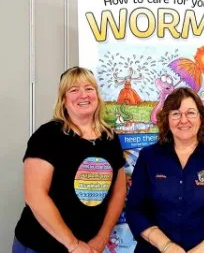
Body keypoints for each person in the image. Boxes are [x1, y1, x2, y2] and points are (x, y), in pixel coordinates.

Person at [13, 67, 127, 253]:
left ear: (97, 96)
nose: (83, 95)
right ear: (64, 100)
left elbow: (119, 191)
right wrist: (73, 245)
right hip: (41, 245)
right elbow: (35, 196)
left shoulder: (109, 137)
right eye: (74, 90)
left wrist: (102, 237)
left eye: (89, 89)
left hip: (90, 247)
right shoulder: (47, 136)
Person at [126, 87, 204, 253]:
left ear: (201, 117)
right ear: (166, 119)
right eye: (175, 113)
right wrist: (166, 246)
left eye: (190, 113)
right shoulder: (149, 157)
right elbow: (135, 209)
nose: (183, 120)